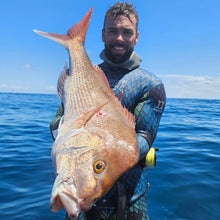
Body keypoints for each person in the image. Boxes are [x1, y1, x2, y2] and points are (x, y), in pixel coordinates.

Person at [50, 2, 166, 220]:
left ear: (137, 37)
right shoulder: (84, 78)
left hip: (131, 202)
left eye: (126, 32)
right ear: (103, 35)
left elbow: (144, 140)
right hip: (83, 197)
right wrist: (68, 138)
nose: (119, 38)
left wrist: (102, 141)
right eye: (113, 31)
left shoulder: (151, 85)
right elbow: (57, 123)